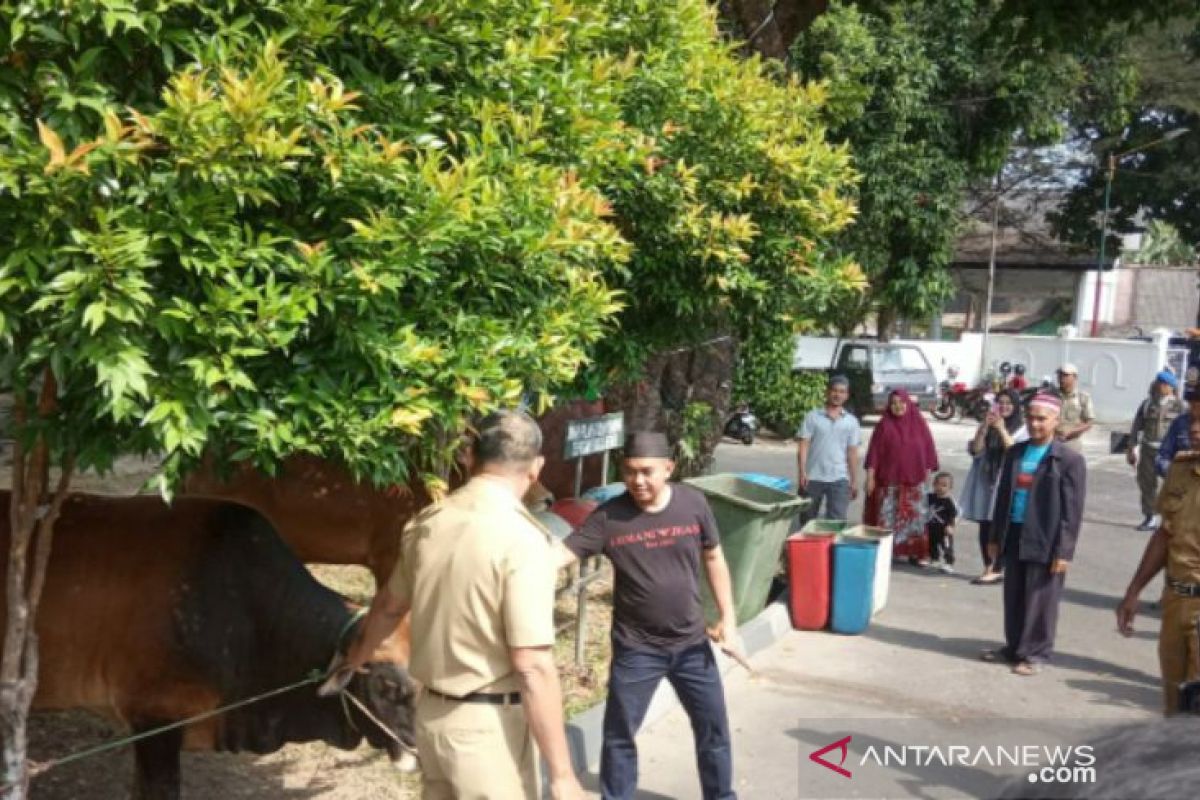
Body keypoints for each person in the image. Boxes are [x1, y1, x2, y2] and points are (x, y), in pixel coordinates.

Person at [329, 411, 584, 800]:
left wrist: (355, 658)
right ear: (536, 468)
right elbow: (532, 665)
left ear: (469, 456)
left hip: (431, 718)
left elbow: (388, 608)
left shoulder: (428, 523)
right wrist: (563, 775)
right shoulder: (522, 540)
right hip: (490, 730)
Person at [559, 431, 738, 800]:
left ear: (668, 468)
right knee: (620, 733)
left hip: (691, 644)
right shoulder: (609, 517)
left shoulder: (693, 504)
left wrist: (728, 619)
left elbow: (714, 556)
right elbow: (557, 556)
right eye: (629, 472)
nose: (637, 481)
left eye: (646, 472)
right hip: (637, 648)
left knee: (714, 729)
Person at [981, 393, 1086, 676]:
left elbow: (1072, 512)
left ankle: (1036, 653)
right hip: (1014, 532)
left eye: (1042, 418)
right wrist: (994, 536)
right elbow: (1003, 496)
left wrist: (1064, 552)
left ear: (1055, 421)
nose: (1035, 424)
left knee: (1041, 598)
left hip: (1046, 536)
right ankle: (1014, 647)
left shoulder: (1068, 460)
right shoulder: (1016, 452)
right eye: (1031, 417)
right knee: (1014, 594)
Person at [1116, 415, 1200, 714]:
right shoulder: (1181, 468)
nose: (1193, 427)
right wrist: (1134, 590)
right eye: (1193, 418)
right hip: (1175, 603)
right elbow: (1164, 535)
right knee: (1174, 704)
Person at [960, 389, 1027, 585]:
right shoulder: (988, 425)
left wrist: (1002, 429)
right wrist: (983, 428)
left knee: (1001, 525)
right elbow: (976, 450)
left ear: (1015, 407)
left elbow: (1014, 452)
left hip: (1005, 482)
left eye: (1008, 403)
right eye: (1000, 403)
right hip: (986, 480)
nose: (1004, 407)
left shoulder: (1022, 430)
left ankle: (998, 567)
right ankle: (988, 565)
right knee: (985, 524)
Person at [863, 389, 939, 563]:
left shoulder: (919, 423)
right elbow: (874, 453)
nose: (898, 406)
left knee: (914, 519)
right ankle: (886, 551)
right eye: (893, 403)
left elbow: (928, 450)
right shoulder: (884, 425)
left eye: (901, 402)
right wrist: (870, 477)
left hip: (915, 482)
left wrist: (927, 474)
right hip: (888, 482)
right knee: (887, 516)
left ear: (908, 403)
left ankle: (915, 552)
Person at [796, 374, 862, 522]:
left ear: (846, 395)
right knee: (807, 520)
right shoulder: (812, 417)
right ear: (827, 392)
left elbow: (852, 452)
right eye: (834, 390)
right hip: (812, 477)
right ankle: (809, 546)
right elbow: (803, 445)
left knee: (836, 523)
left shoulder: (851, 422)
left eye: (842, 391)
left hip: (839, 478)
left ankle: (831, 546)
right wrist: (802, 472)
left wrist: (854, 480)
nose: (837, 394)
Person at [1127, 370, 1184, 530]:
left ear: (1171, 387)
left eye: (1164, 384)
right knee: (1146, 484)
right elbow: (1136, 427)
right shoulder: (1147, 404)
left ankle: (1172, 518)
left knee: (1174, 485)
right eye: (1159, 382)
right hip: (1148, 449)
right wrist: (1131, 447)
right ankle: (1150, 517)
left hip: (1170, 453)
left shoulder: (1180, 406)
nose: (1160, 386)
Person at [1155, 389, 1200, 476]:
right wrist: (1174, 472)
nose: (1193, 408)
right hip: (1181, 483)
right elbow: (1163, 455)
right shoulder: (1180, 422)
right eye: (1192, 404)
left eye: (1197, 404)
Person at [1055, 363, 1095, 453]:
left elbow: (1089, 423)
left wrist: (1071, 432)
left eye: (1065, 375)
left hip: (1071, 443)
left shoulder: (1083, 397)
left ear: (1075, 377)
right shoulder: (1051, 395)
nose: (1061, 378)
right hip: (1051, 441)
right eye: (1059, 375)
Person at [926, 472, 959, 574]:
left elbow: (954, 515)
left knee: (946, 546)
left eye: (944, 485)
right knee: (932, 544)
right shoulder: (930, 497)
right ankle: (934, 559)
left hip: (944, 529)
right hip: (932, 527)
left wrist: (951, 526)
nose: (940, 487)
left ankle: (949, 563)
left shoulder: (949, 501)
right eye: (937, 484)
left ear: (950, 487)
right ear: (933, 484)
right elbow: (922, 506)